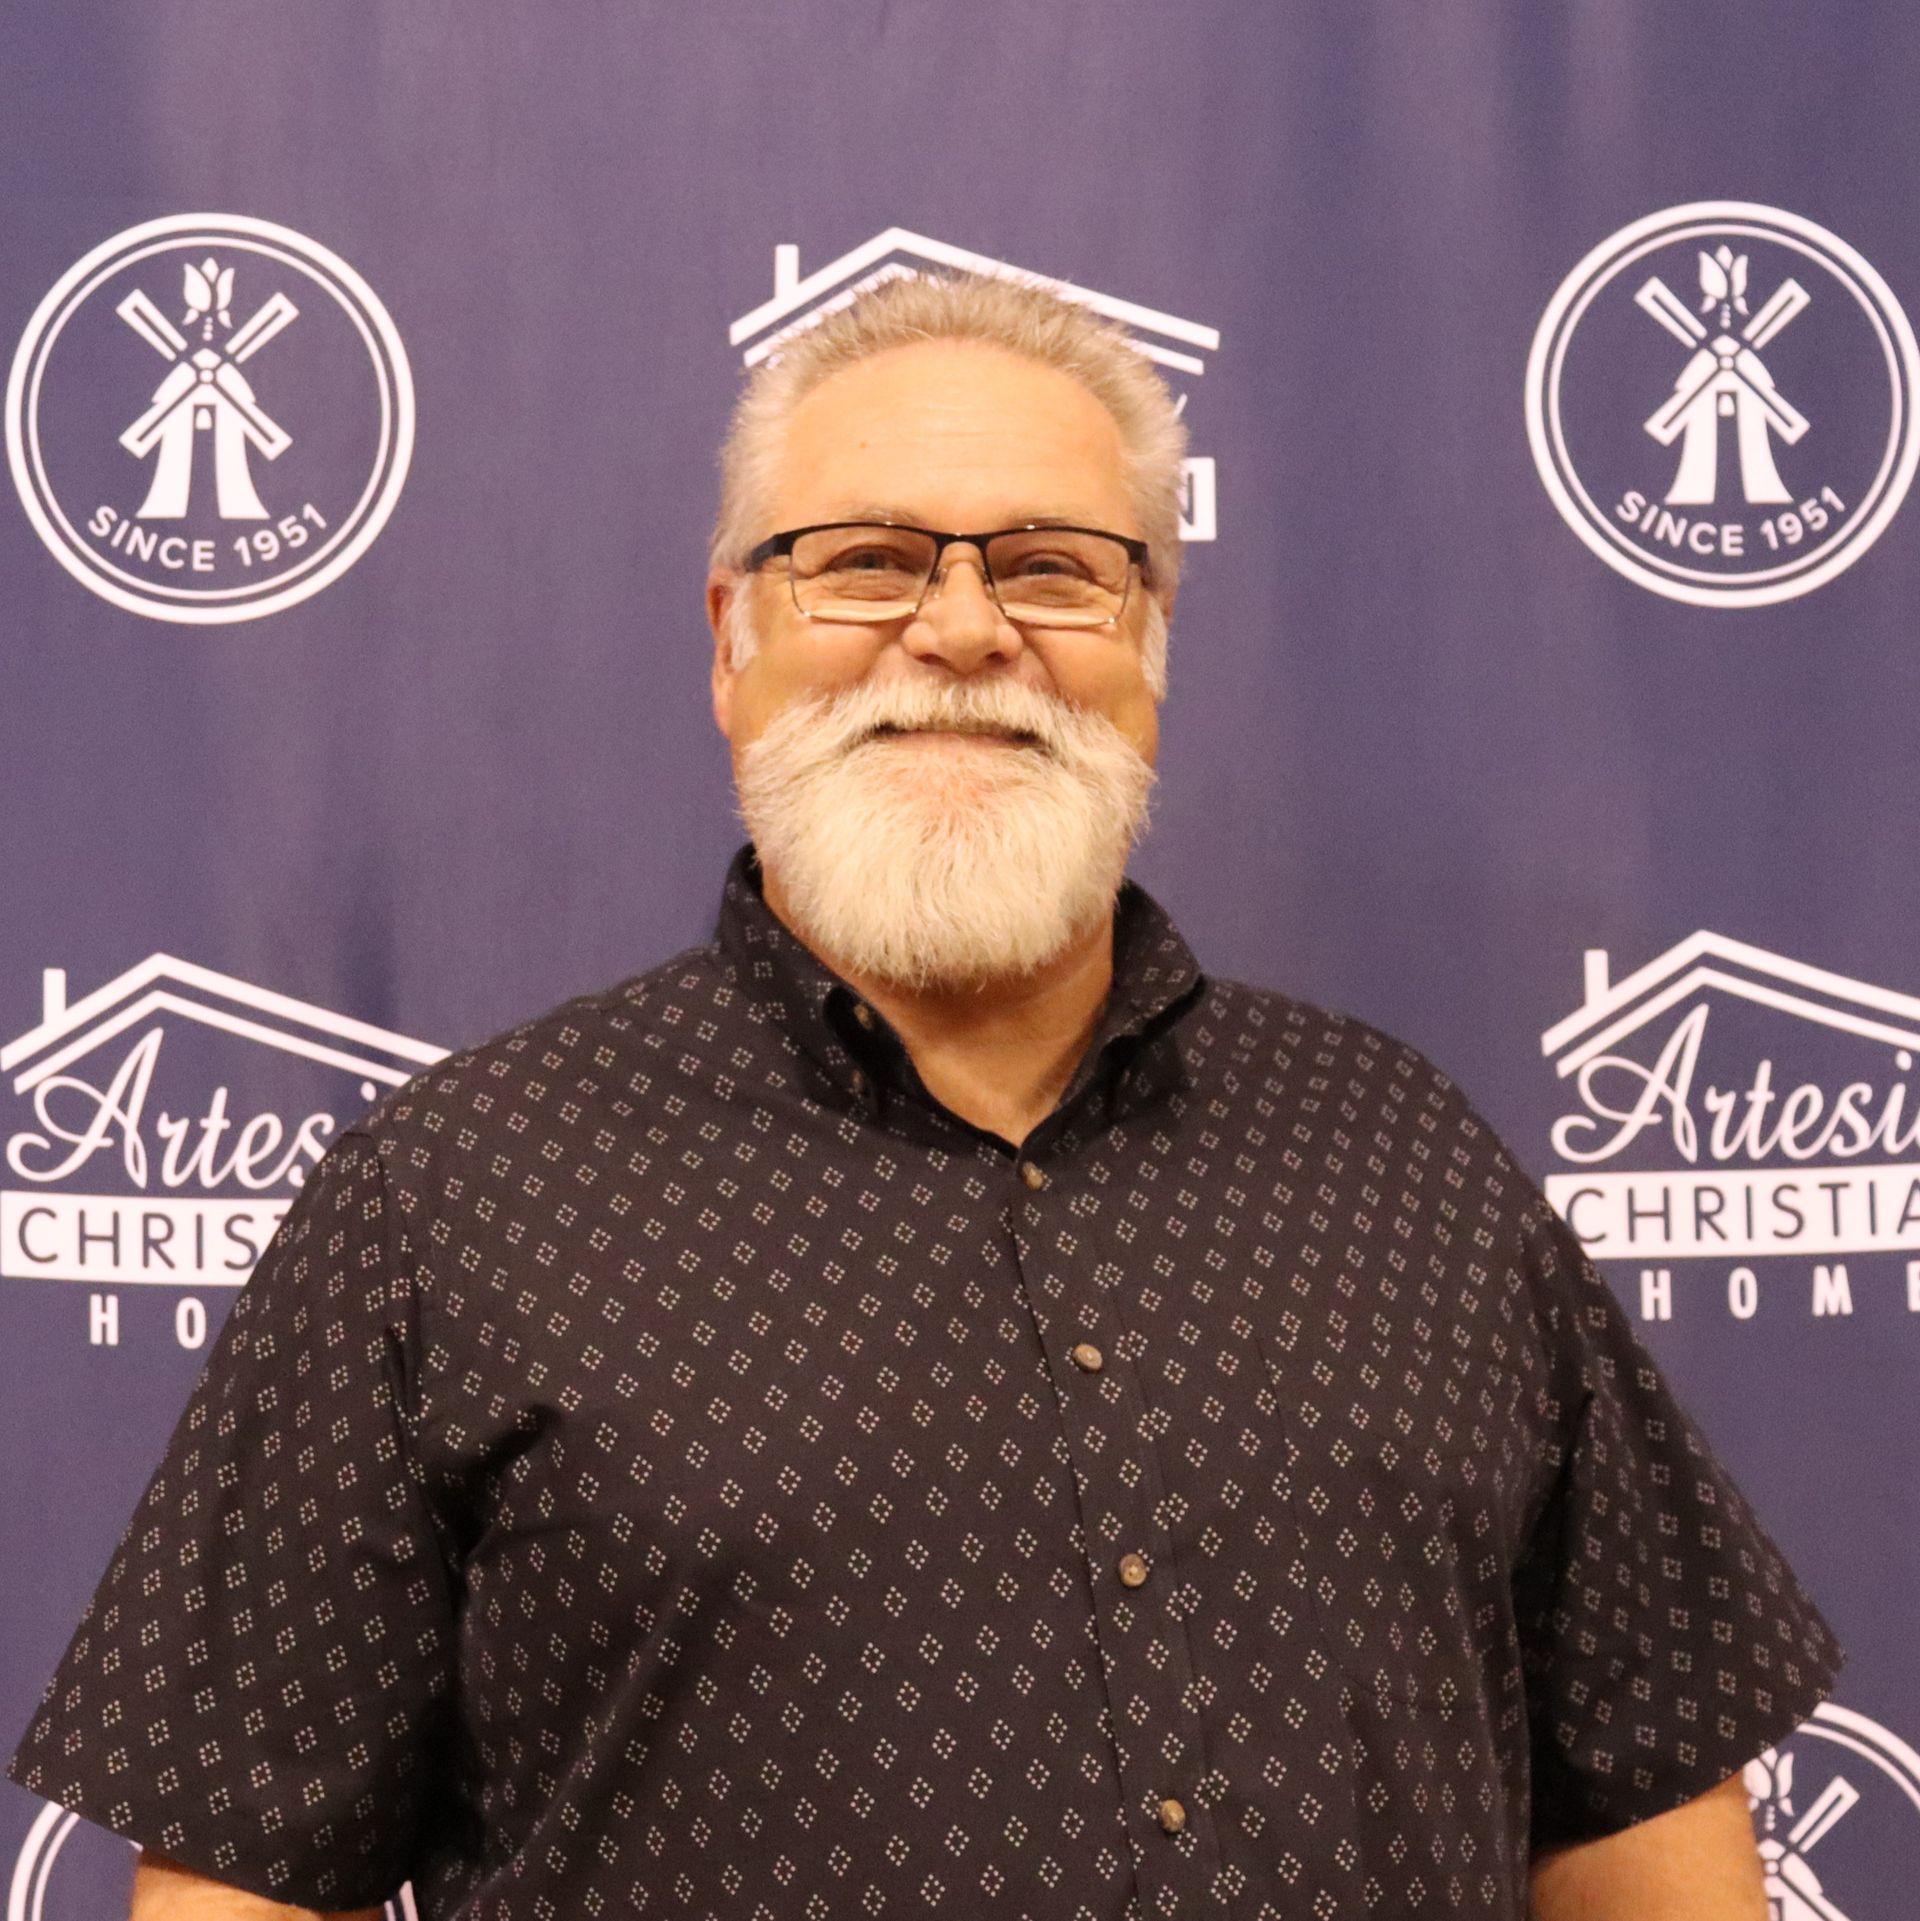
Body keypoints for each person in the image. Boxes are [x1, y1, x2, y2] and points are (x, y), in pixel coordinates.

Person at [9, 272, 1841, 1921]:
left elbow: (1643, 1799)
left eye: (1052, 568)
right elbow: (243, 1880)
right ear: (731, 638)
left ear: (1151, 644)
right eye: (870, 560)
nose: (962, 631)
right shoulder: (453, 1200)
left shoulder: (1407, 1160)